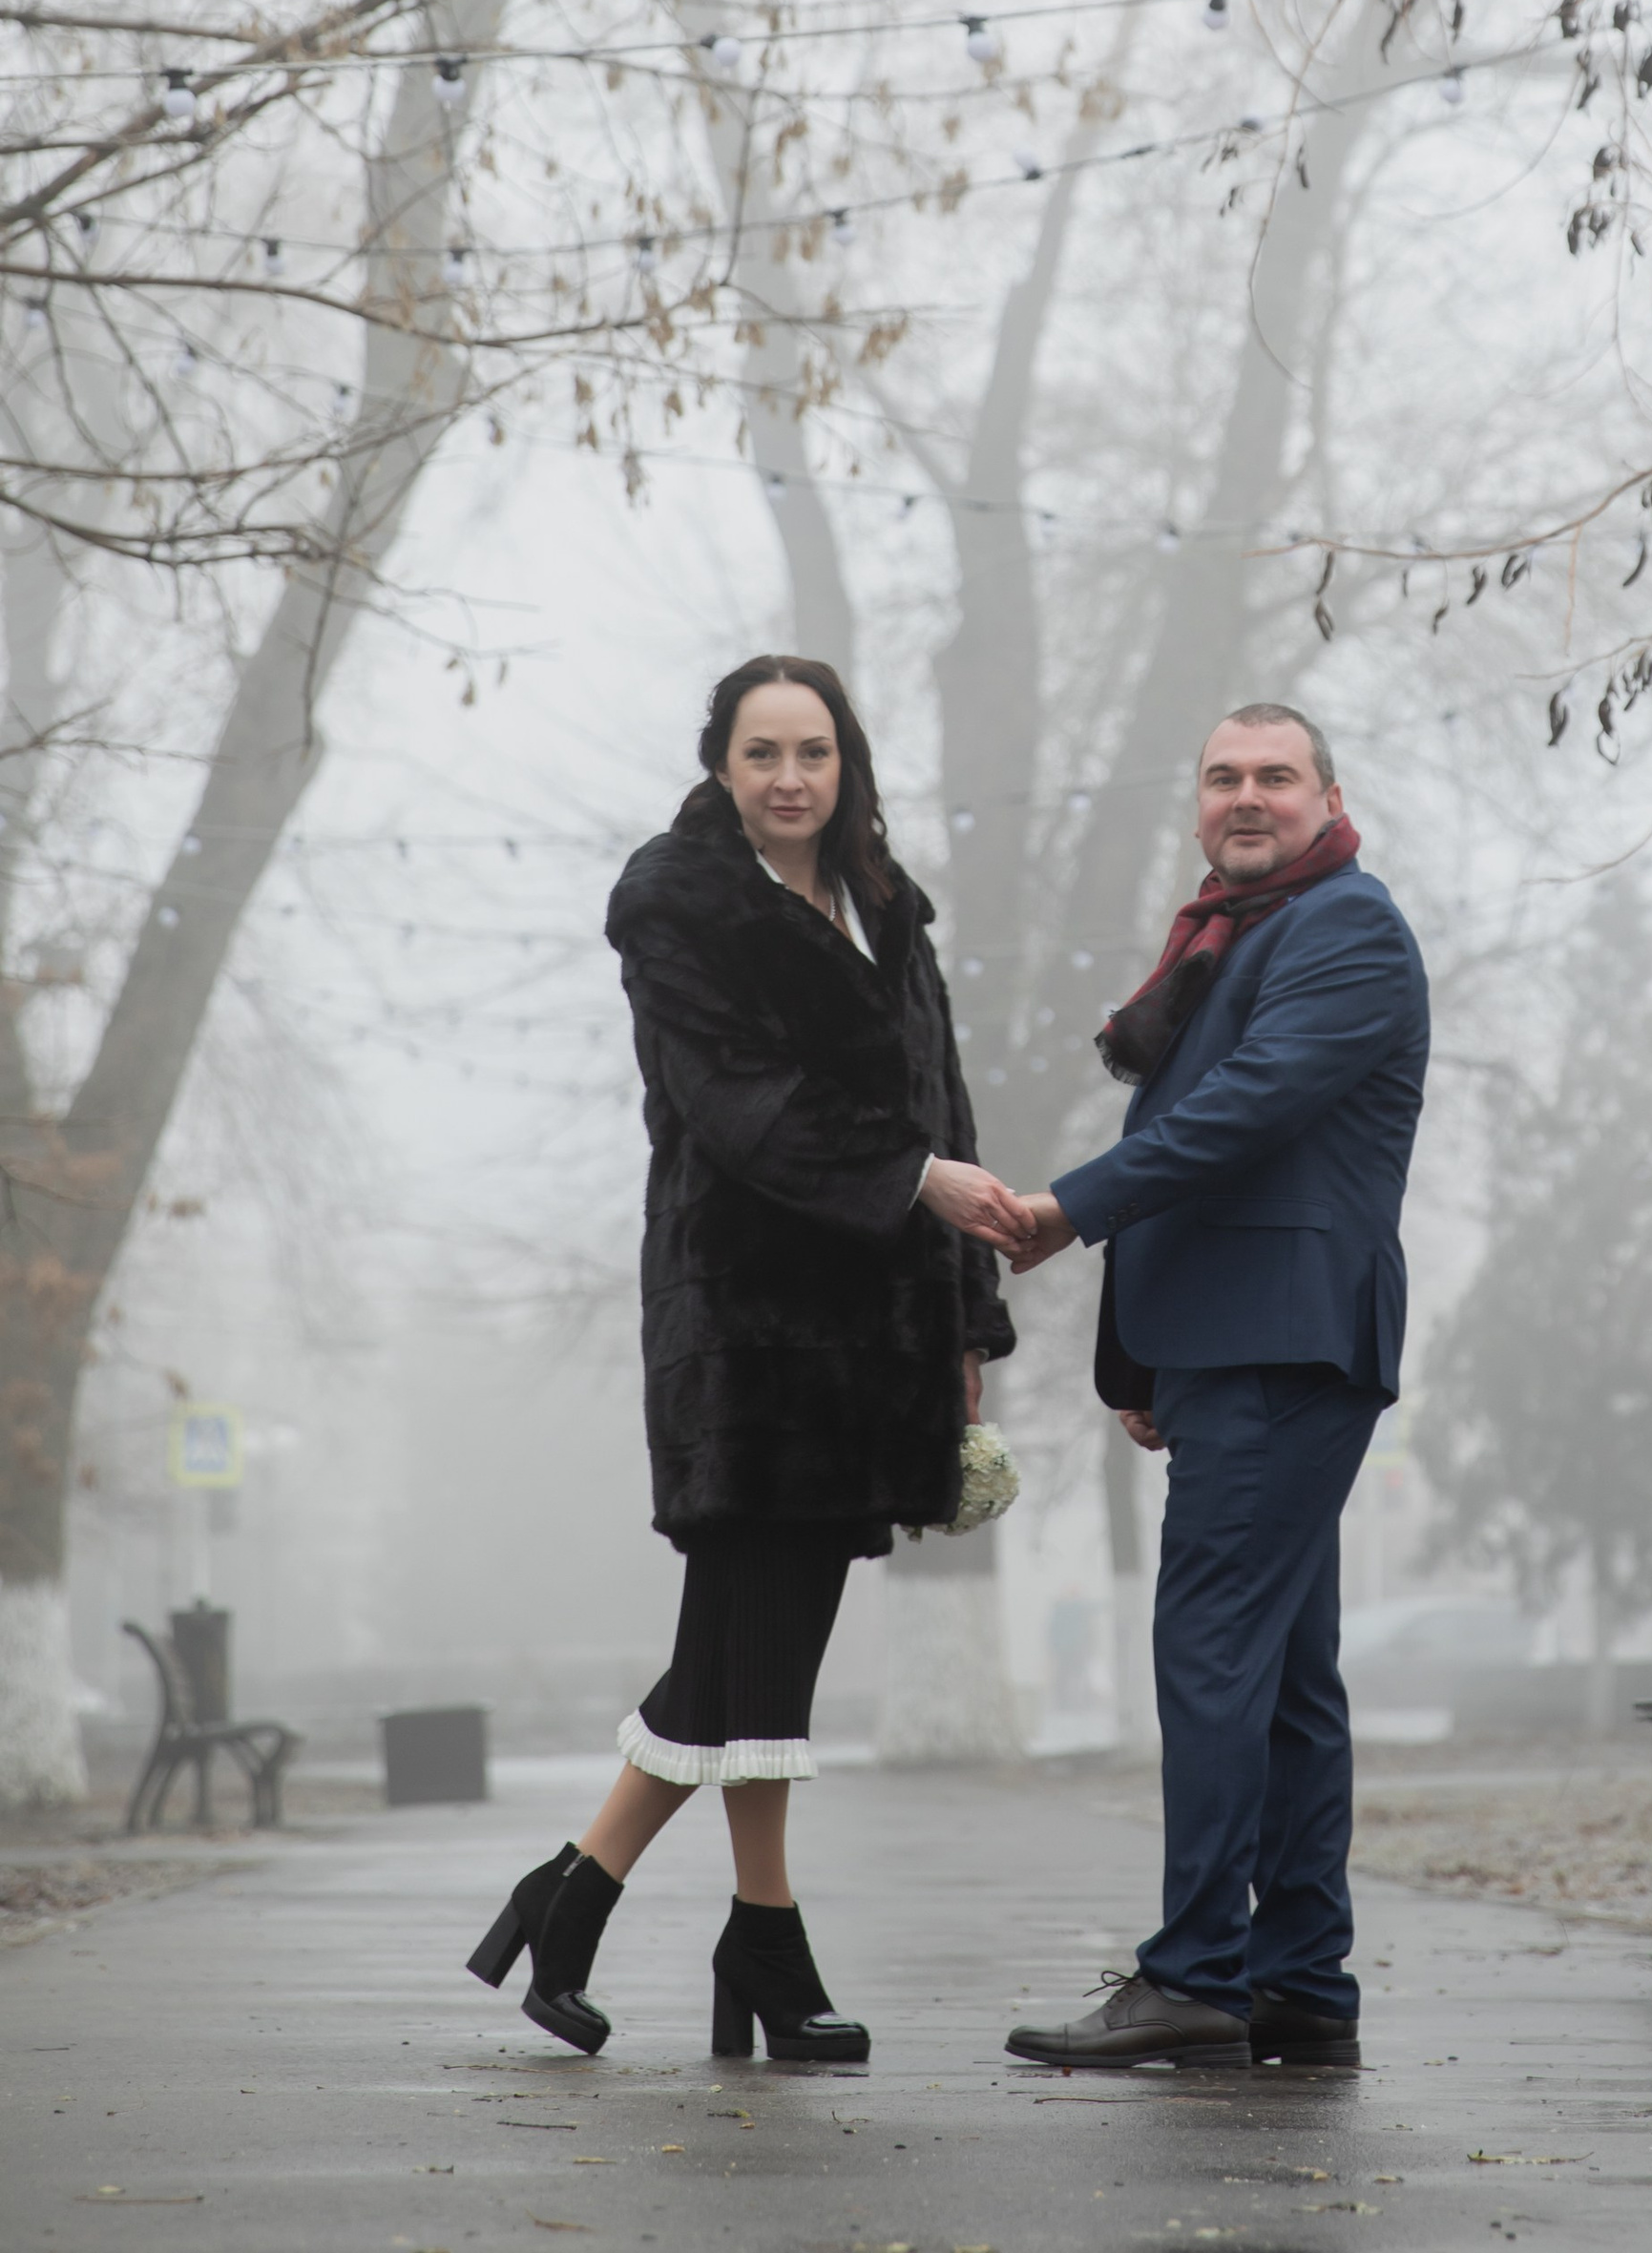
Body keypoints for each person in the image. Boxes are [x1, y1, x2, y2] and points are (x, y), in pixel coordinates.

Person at [466, 655, 1028, 2062]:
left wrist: (965, 1319)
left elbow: (942, 1102)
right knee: (755, 1643)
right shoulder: (678, 902)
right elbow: (738, 1109)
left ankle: (583, 1898)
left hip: (882, 1335)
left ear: (848, 766)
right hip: (749, 1327)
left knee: (738, 1651)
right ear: (720, 760)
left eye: (815, 751)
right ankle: (753, 1933)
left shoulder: (890, 906)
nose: (790, 776)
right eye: (763, 750)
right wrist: (922, 1183)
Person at [1001, 703, 1429, 2074]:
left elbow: (1244, 1108)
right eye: (1225, 776)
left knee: (1211, 1654)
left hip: (1284, 1344)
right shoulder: (1236, 936)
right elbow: (1216, 1139)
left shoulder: (1347, 926)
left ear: (1329, 795)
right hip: (1240, 1346)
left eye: (1277, 776)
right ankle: (1301, 1977)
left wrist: (1066, 1209)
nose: (1250, 796)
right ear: (1197, 804)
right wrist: (1146, 1357)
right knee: (1287, 1675)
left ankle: (1195, 1972)